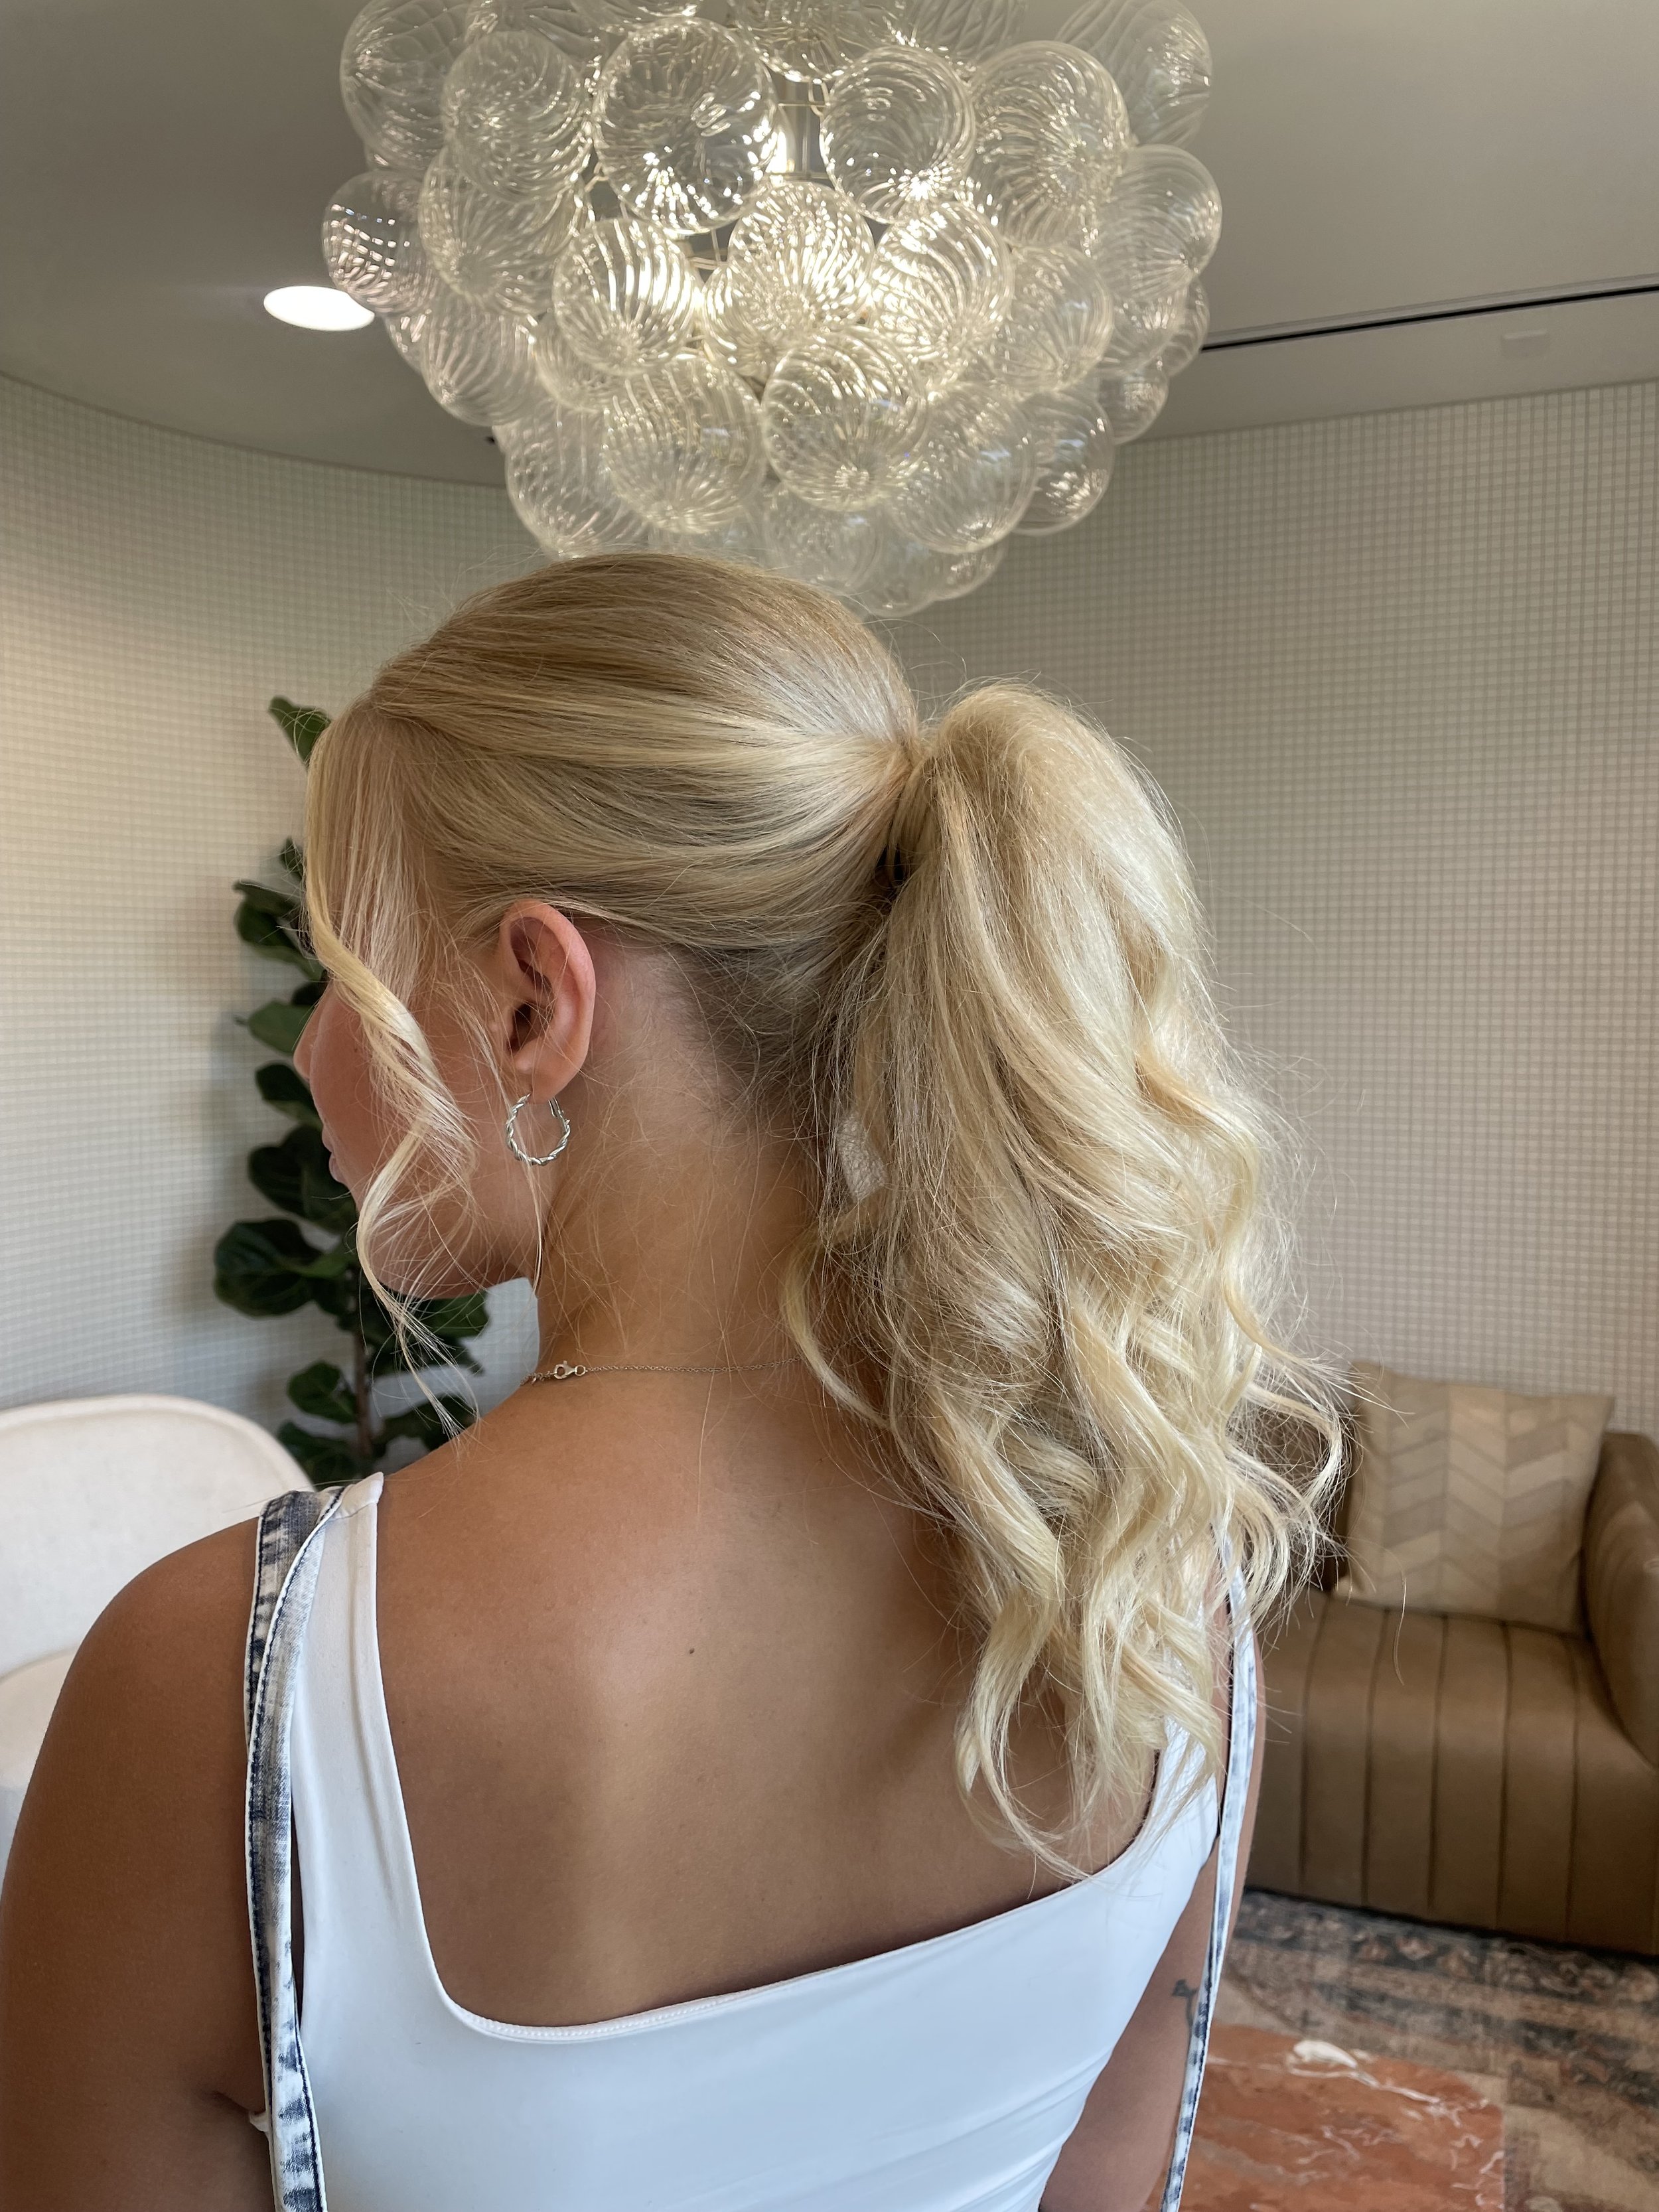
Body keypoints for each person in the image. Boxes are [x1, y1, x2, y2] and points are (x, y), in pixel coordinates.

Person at [0, 552, 1341, 2211]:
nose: (309, 1053)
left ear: (528, 997)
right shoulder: (1160, 1584)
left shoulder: (222, 1688)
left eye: (336, 973)